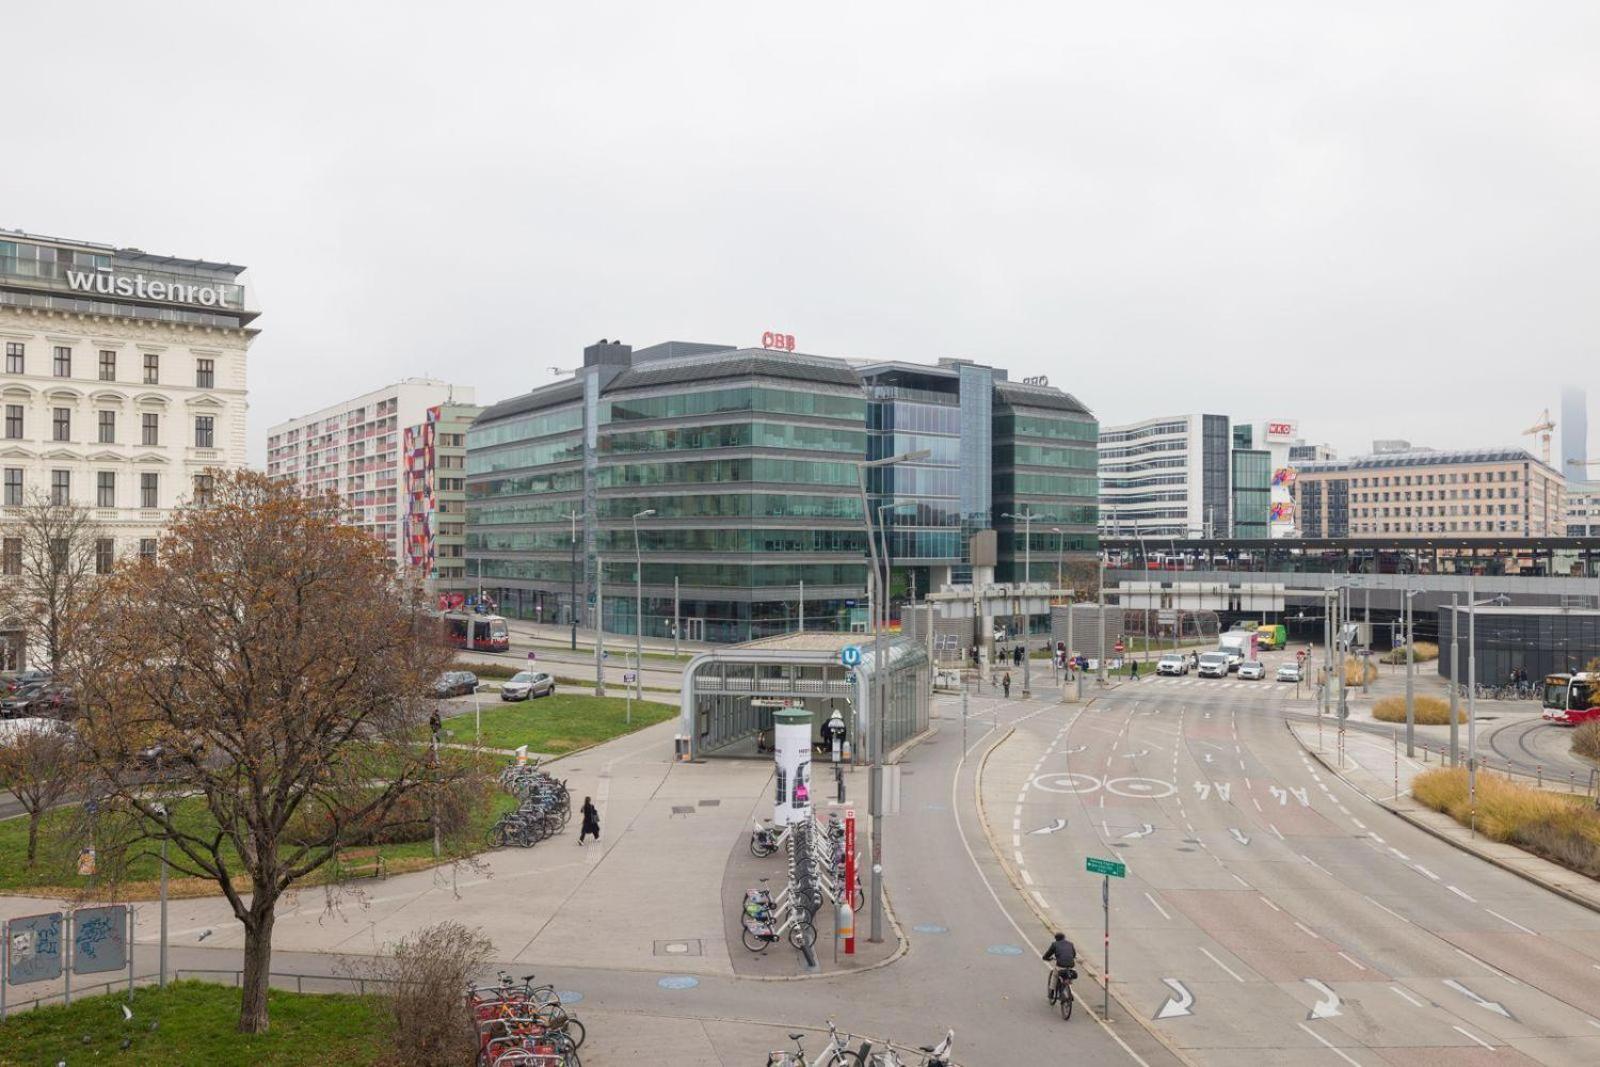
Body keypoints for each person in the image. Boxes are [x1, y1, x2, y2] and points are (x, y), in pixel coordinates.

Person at [1043, 932, 1077, 999]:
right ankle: (1069, 989)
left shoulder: (1054, 944)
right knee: (1069, 974)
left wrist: (1046, 958)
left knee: (1054, 975)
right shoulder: (1070, 944)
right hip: (1071, 964)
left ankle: (1051, 992)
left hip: (1061, 964)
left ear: (1056, 939)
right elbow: (1074, 954)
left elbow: (1048, 954)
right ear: (1064, 937)